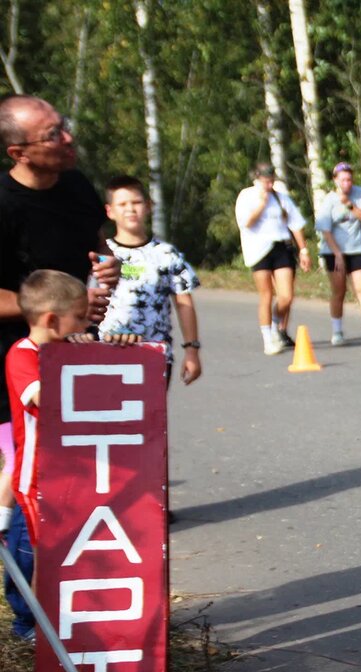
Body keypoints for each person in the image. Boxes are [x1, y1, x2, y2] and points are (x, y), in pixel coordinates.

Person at [0, 94, 118, 641]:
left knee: (75, 487)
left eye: (64, 128)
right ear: (18, 151)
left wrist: (103, 276)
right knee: (27, 481)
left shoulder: (76, 187)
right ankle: (28, 616)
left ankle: (80, 602)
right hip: (14, 359)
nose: (67, 139)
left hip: (71, 345)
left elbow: (96, 249)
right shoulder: (2, 202)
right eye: (53, 135)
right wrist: (49, 313)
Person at [4, 271, 95, 641]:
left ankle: (49, 621)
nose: (87, 323)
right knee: (36, 558)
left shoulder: (63, 350)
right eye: (81, 316)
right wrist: (83, 359)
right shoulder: (22, 355)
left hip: (67, 477)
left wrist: (105, 350)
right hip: (36, 481)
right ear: (53, 320)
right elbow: (48, 398)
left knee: (51, 554)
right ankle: (30, 625)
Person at [99, 175, 202, 385]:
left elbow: (184, 304)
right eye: (122, 204)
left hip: (154, 354)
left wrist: (192, 350)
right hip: (104, 351)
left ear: (148, 206)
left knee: (151, 417)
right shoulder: (102, 255)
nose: (130, 209)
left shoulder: (166, 254)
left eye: (136, 202)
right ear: (110, 211)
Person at [235, 163, 312, 355]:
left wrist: (303, 250)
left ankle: (276, 325)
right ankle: (268, 339)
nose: (269, 185)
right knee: (266, 295)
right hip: (258, 249)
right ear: (257, 179)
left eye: (271, 181)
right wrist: (261, 204)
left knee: (286, 296)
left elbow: (296, 223)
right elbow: (246, 223)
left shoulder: (281, 197)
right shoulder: (247, 196)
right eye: (265, 181)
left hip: (280, 247)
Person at [316, 162, 361, 347]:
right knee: (339, 291)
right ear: (335, 180)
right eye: (342, 180)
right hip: (334, 251)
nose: (347, 183)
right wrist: (337, 253)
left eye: (349, 179)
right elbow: (325, 231)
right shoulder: (329, 200)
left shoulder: (359, 194)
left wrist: (350, 206)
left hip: (356, 249)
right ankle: (337, 331)